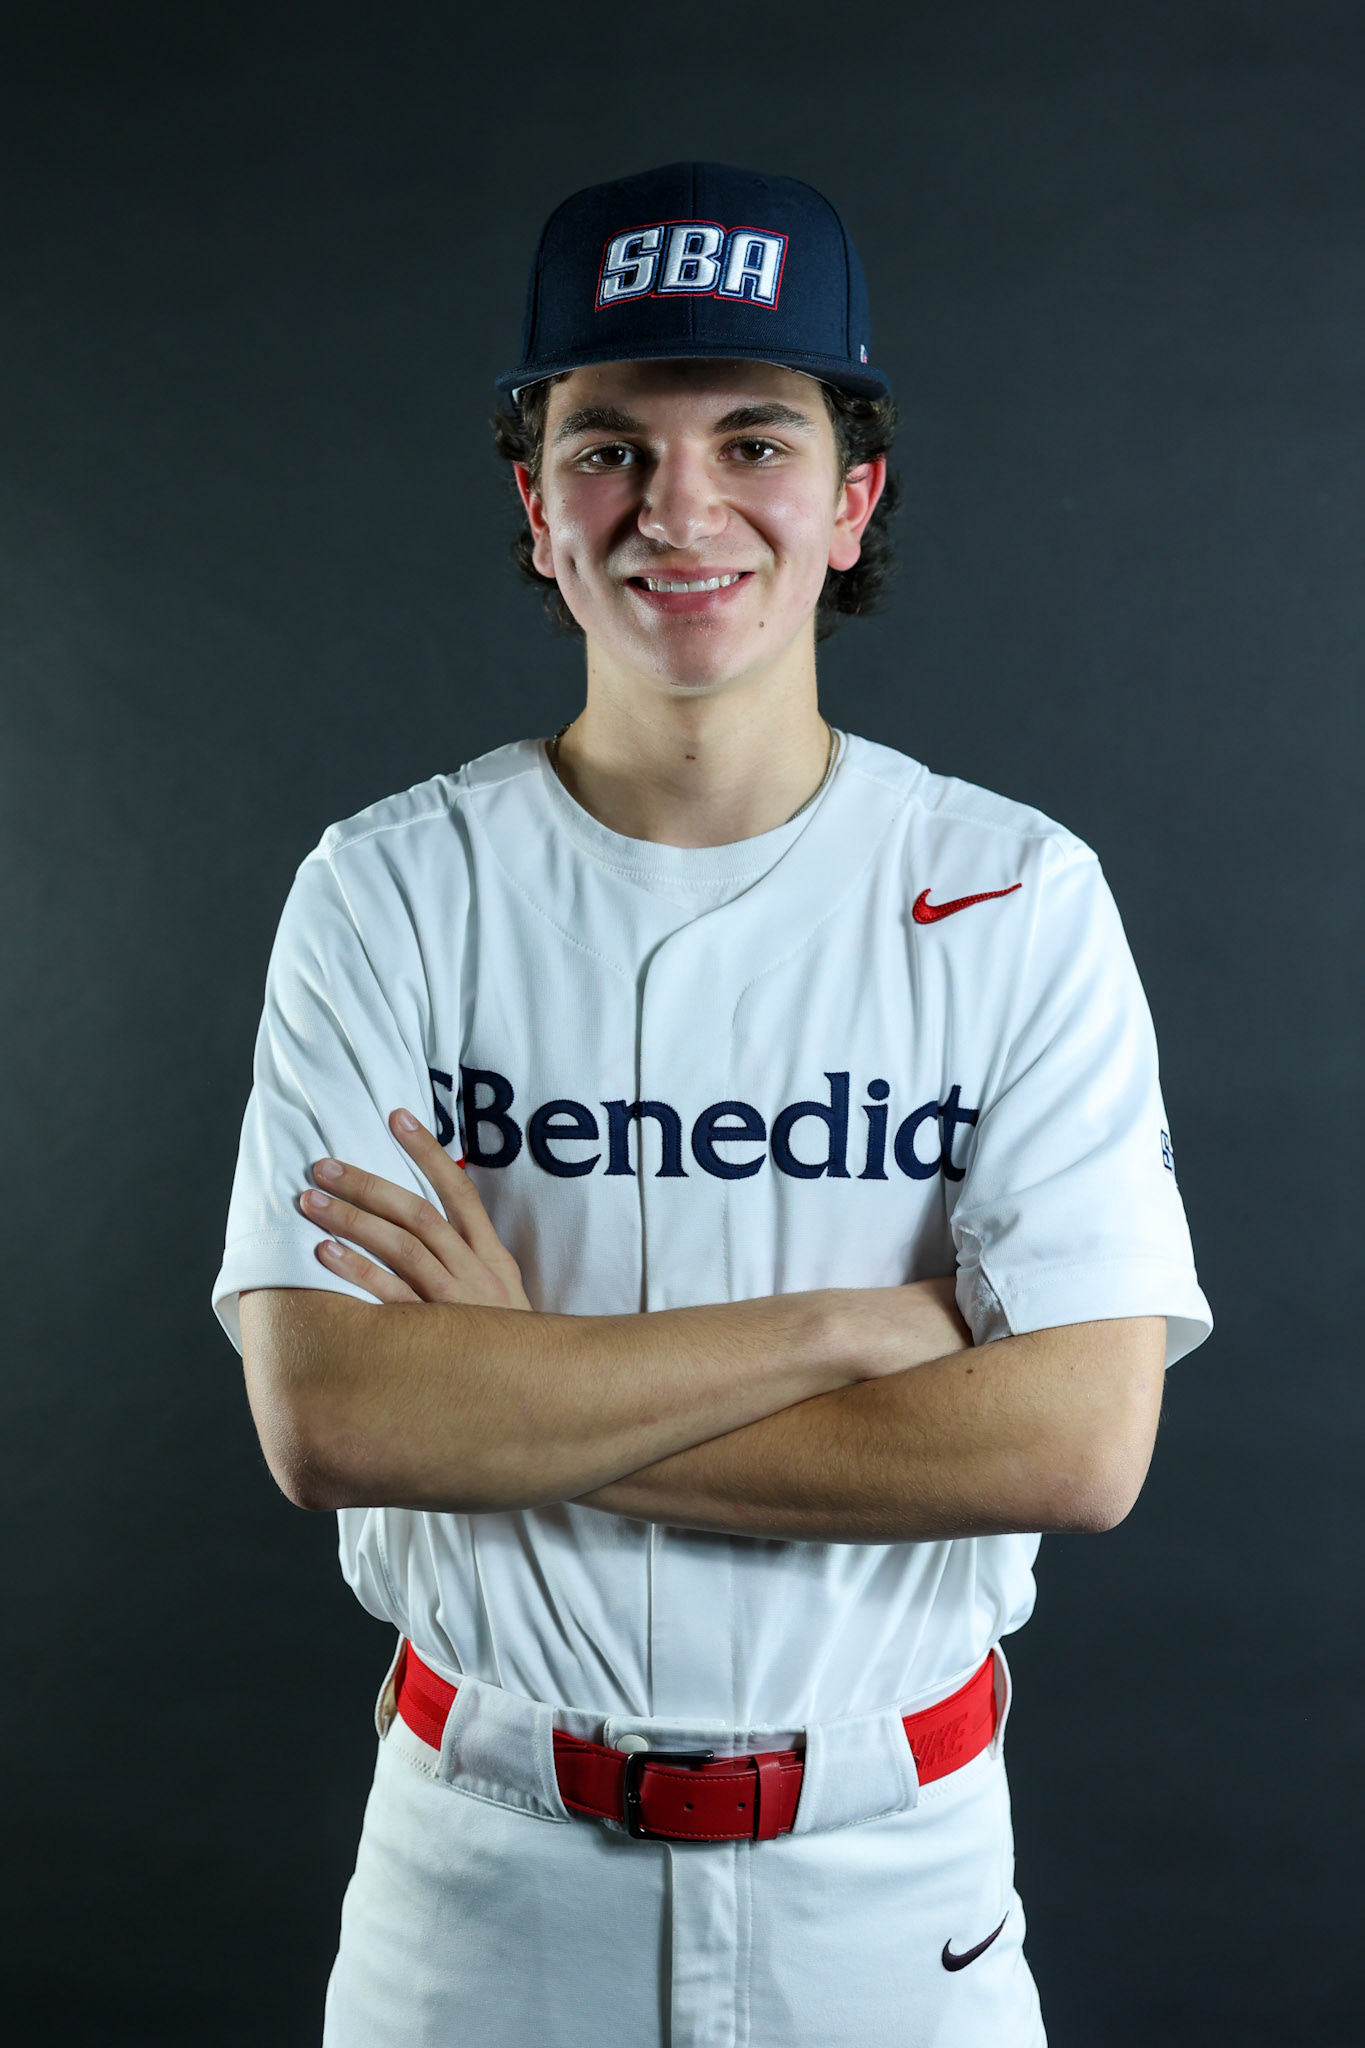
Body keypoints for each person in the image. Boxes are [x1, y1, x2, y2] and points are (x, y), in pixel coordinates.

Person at [212, 160, 1212, 2048]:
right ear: (538, 510)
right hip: (482, 1881)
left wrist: (508, 1394)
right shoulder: (389, 887)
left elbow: (1075, 1444)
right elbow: (338, 1416)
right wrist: (854, 1331)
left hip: (891, 1889)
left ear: (850, 501)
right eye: (609, 448)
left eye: (754, 440)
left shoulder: (1013, 891)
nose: (679, 507)